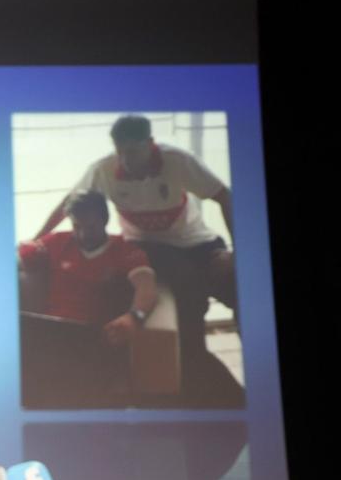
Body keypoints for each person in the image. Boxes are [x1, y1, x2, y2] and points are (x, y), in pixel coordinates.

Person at [34, 115, 241, 406]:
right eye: (120, 151)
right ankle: (202, 384)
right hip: (151, 247)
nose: (125, 160)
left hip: (198, 243)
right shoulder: (104, 169)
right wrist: (37, 238)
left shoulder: (177, 160)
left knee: (242, 291)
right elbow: (67, 205)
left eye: (132, 151)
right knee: (189, 296)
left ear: (151, 144)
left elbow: (224, 196)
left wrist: (236, 252)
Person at [18, 190, 157, 407]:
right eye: (77, 226)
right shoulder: (57, 241)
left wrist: (134, 317)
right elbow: (16, 260)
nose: (82, 234)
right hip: (50, 334)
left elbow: (147, 288)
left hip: (94, 338)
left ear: (105, 220)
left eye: (90, 227)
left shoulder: (125, 249)